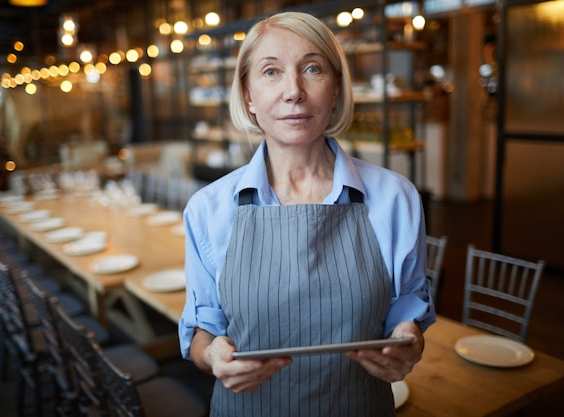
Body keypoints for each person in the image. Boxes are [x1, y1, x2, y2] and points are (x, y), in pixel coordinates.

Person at [178, 11, 435, 417]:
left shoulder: (395, 198)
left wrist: (408, 339)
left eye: (312, 68)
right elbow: (201, 330)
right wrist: (212, 356)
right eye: (271, 72)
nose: (293, 91)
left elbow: (407, 308)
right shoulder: (208, 208)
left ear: (335, 88)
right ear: (247, 94)